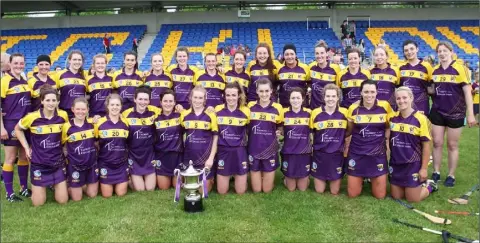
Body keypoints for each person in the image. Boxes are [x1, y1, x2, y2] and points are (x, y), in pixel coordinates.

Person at [429, 41, 476, 187]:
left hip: (456, 113)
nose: (442, 53)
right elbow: (431, 89)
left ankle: (451, 175)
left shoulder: (460, 69)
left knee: (452, 144)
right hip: (437, 111)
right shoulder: (434, 70)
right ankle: (436, 172)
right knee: (436, 143)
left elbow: (468, 92)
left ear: (451, 51)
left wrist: (471, 114)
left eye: (444, 51)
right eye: (439, 51)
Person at [15, 85, 69, 206]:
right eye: (48, 100)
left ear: (58, 102)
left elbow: (67, 132)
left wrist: (65, 148)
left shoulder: (63, 116)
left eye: (54, 100)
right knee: (38, 203)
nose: (51, 103)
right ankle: (41, 187)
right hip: (39, 163)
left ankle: (56, 184)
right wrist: (26, 147)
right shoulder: (32, 117)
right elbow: (17, 129)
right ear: (42, 101)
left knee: (63, 201)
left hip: (58, 162)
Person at [346, 80, 393, 199]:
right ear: (361, 92)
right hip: (357, 153)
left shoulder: (385, 106)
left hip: (377, 154)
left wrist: (385, 141)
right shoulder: (353, 108)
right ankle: (362, 178)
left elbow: (388, 127)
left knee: (380, 196)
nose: (369, 95)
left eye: (372, 92)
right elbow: (349, 131)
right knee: (353, 194)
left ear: (377, 92)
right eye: (366, 92)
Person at [390, 86, 438, 202]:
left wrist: (424, 169)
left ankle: (430, 186)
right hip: (396, 164)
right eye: (398, 98)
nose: (401, 101)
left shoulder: (421, 119)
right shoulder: (392, 118)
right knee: (397, 197)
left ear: (411, 98)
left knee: (413, 199)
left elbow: (426, 146)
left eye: (405, 97)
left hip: (413, 165)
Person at [1, 53, 32, 202]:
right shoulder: (4, 81)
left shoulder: (25, 80)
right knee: (10, 158)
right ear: (10, 64)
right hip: (10, 124)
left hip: (24, 124)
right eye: (16, 63)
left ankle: (23, 188)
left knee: (24, 156)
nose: (19, 66)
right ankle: (9, 193)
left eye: (21, 63)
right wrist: (1, 128)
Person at [310, 84, 349, 195]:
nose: (330, 99)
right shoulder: (315, 113)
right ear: (324, 97)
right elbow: (311, 134)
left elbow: (349, 131)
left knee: (334, 191)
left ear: (338, 98)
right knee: (319, 191)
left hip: (337, 155)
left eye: (333, 96)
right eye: (328, 96)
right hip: (320, 155)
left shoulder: (345, 112)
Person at [180, 85, 218, 192]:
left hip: (205, 158)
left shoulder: (210, 115)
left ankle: (211, 179)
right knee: (189, 188)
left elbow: (215, 137)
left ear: (205, 99)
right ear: (190, 98)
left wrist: (211, 158)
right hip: (189, 158)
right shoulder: (184, 115)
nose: (197, 100)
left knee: (202, 191)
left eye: (200, 98)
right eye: (195, 97)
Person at [248, 78, 284, 193]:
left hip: (270, 149)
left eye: (266, 91)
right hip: (254, 149)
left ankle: (267, 177)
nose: (264, 94)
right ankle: (260, 175)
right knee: (257, 190)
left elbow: (280, 126)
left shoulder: (278, 108)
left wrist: (279, 132)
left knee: (267, 190)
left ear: (271, 91)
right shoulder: (250, 106)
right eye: (261, 91)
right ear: (257, 92)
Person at [122, 86, 160, 191]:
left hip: (149, 154)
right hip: (134, 154)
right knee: (140, 189)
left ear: (149, 100)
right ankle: (129, 177)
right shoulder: (126, 114)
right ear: (135, 99)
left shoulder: (155, 112)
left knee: (150, 188)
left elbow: (169, 110)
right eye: (140, 99)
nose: (143, 102)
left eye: (145, 99)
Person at [214, 82, 250, 194]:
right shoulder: (217, 109)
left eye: (233, 95)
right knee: (222, 191)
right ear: (224, 95)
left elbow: (249, 130)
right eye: (228, 95)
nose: (230, 98)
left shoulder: (246, 111)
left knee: (240, 191)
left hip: (239, 150)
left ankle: (241, 178)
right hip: (223, 151)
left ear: (239, 95)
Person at [62, 97, 98, 201]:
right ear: (72, 109)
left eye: (83, 109)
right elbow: (63, 145)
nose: (81, 112)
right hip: (75, 165)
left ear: (87, 110)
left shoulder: (93, 123)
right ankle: (68, 185)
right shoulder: (66, 126)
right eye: (78, 109)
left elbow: (96, 142)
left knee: (92, 195)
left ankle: (82, 184)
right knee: (77, 198)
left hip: (91, 164)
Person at [95, 94, 129, 198]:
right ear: (107, 106)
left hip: (121, 164)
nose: (115, 107)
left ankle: (128, 178)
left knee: (121, 193)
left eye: (117, 105)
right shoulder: (99, 123)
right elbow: (95, 143)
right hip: (105, 164)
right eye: (112, 105)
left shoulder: (126, 123)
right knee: (107, 195)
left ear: (121, 106)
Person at [281, 88, 311, 191]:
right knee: (291, 188)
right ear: (289, 100)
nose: (295, 100)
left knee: (302, 188)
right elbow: (279, 128)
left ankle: (305, 177)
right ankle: (286, 177)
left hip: (304, 152)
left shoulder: (309, 113)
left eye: (298, 98)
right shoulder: (284, 113)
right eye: (293, 98)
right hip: (289, 152)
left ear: (303, 99)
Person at [154, 89, 183, 190]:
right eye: (165, 101)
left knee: (177, 187)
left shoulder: (180, 116)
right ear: (160, 102)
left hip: (177, 156)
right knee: (163, 188)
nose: (168, 104)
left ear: (175, 102)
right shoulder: (155, 118)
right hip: (161, 156)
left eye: (171, 101)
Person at [399, 40, 433, 115]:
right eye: (406, 50)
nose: (409, 52)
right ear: (404, 53)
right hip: (405, 105)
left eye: (412, 49)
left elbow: (432, 85)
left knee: (422, 126)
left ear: (417, 49)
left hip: (422, 105)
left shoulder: (427, 66)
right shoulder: (400, 67)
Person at [53, 50, 87, 118]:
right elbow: (53, 93)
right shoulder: (59, 74)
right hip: (65, 112)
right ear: (69, 60)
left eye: (79, 60)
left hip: (81, 112)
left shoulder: (84, 76)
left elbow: (87, 94)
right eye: (74, 59)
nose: (77, 62)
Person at [309, 40, 341, 109]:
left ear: (326, 54)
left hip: (330, 109)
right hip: (314, 108)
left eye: (322, 53)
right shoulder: (311, 67)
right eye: (317, 53)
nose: (319, 56)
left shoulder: (335, 69)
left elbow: (338, 89)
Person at [167, 47, 199, 112]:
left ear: (188, 57)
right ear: (176, 57)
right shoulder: (170, 69)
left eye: (184, 56)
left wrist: (218, 66)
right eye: (179, 56)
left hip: (189, 103)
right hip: (174, 103)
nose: (182, 58)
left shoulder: (195, 70)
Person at [86, 54, 113, 118]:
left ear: (106, 64)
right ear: (94, 65)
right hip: (94, 115)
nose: (100, 65)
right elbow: (86, 96)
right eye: (98, 63)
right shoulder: (87, 79)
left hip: (109, 114)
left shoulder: (112, 78)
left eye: (102, 63)